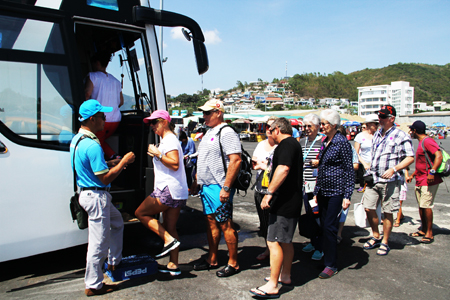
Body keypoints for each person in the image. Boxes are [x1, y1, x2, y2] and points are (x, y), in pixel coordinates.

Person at [70, 99, 135, 297]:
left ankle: (114, 262)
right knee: (98, 243)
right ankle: (93, 284)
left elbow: (91, 166)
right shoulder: (92, 145)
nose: (105, 120)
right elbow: (105, 177)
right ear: (92, 119)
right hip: (97, 196)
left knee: (117, 223)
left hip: (87, 193)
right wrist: (123, 161)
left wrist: (109, 162)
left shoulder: (78, 140)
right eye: (102, 116)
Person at [250, 117, 303, 298]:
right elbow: (280, 168)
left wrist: (269, 192)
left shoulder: (286, 145)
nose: (269, 132)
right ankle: (284, 275)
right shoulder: (292, 144)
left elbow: (284, 169)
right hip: (291, 201)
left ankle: (273, 285)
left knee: (274, 241)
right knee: (285, 241)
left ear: (278, 129)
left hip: (284, 202)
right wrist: (264, 166)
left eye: (270, 129)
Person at [191, 100, 242, 278]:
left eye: (207, 113)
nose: (204, 116)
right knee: (211, 223)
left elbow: (235, 160)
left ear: (218, 113)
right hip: (207, 186)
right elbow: (203, 158)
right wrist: (197, 181)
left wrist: (226, 187)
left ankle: (233, 263)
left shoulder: (227, 132)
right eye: (203, 113)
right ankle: (212, 259)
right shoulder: (209, 131)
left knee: (226, 224)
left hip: (219, 186)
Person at [135, 110, 189, 276]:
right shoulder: (169, 139)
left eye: (154, 122)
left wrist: (157, 154)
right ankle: (174, 265)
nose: (152, 126)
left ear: (165, 121)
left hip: (168, 189)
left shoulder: (169, 140)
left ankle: (167, 239)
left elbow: (174, 164)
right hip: (177, 191)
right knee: (171, 226)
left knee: (140, 213)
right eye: (151, 123)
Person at [362, 105, 414, 256]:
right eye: (379, 116)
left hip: (390, 181)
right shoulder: (378, 133)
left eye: (383, 117)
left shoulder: (401, 135)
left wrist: (394, 169)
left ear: (392, 119)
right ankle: (375, 235)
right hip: (374, 179)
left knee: (387, 212)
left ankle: (385, 241)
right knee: (368, 207)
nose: (380, 119)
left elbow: (410, 157)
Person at [310, 109, 354, 279]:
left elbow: (349, 170)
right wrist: (316, 191)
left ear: (334, 125)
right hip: (323, 190)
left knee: (329, 227)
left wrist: (347, 195)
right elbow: (323, 166)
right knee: (324, 226)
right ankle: (327, 259)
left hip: (336, 191)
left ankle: (331, 264)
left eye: (324, 124)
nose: (321, 126)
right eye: (321, 124)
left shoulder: (341, 142)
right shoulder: (325, 141)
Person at [406, 120, 443, 244]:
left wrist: (432, 172)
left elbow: (439, 155)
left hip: (428, 180)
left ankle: (429, 233)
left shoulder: (427, 141)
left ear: (415, 131)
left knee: (426, 206)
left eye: (412, 130)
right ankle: (423, 229)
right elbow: (422, 163)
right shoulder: (422, 142)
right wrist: (412, 175)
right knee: (422, 206)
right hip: (421, 179)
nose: (410, 132)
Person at [85, 51, 124, 160]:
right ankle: (113, 157)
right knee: (100, 140)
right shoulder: (116, 81)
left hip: (100, 119)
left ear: (97, 63)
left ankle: (114, 158)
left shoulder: (92, 76)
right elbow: (121, 102)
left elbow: (87, 93)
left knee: (95, 141)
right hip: (115, 120)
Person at [252, 116, 278, 261]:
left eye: (271, 127)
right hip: (260, 187)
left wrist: (265, 165)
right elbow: (254, 161)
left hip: (274, 189)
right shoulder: (261, 144)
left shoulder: (281, 146)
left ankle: (276, 251)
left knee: (274, 222)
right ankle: (268, 249)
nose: (269, 129)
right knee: (264, 222)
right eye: (267, 126)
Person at [299, 113, 324, 260]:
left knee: (318, 216)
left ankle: (320, 247)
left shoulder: (323, 141)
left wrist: (319, 161)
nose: (306, 129)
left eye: (309, 126)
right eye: (305, 126)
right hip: (305, 185)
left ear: (317, 126)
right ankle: (313, 242)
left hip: (317, 185)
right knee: (309, 215)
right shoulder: (302, 142)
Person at [336, 125, 360, 244]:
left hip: (344, 183)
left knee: (343, 209)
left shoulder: (349, 147)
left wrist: (341, 167)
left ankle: (339, 233)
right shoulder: (326, 145)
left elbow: (356, 165)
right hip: (331, 183)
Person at [354, 115, 379, 193]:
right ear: (368, 124)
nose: (377, 126)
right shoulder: (360, 136)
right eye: (375, 124)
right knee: (367, 187)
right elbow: (356, 153)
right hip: (364, 165)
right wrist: (364, 164)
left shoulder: (379, 135)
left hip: (376, 165)